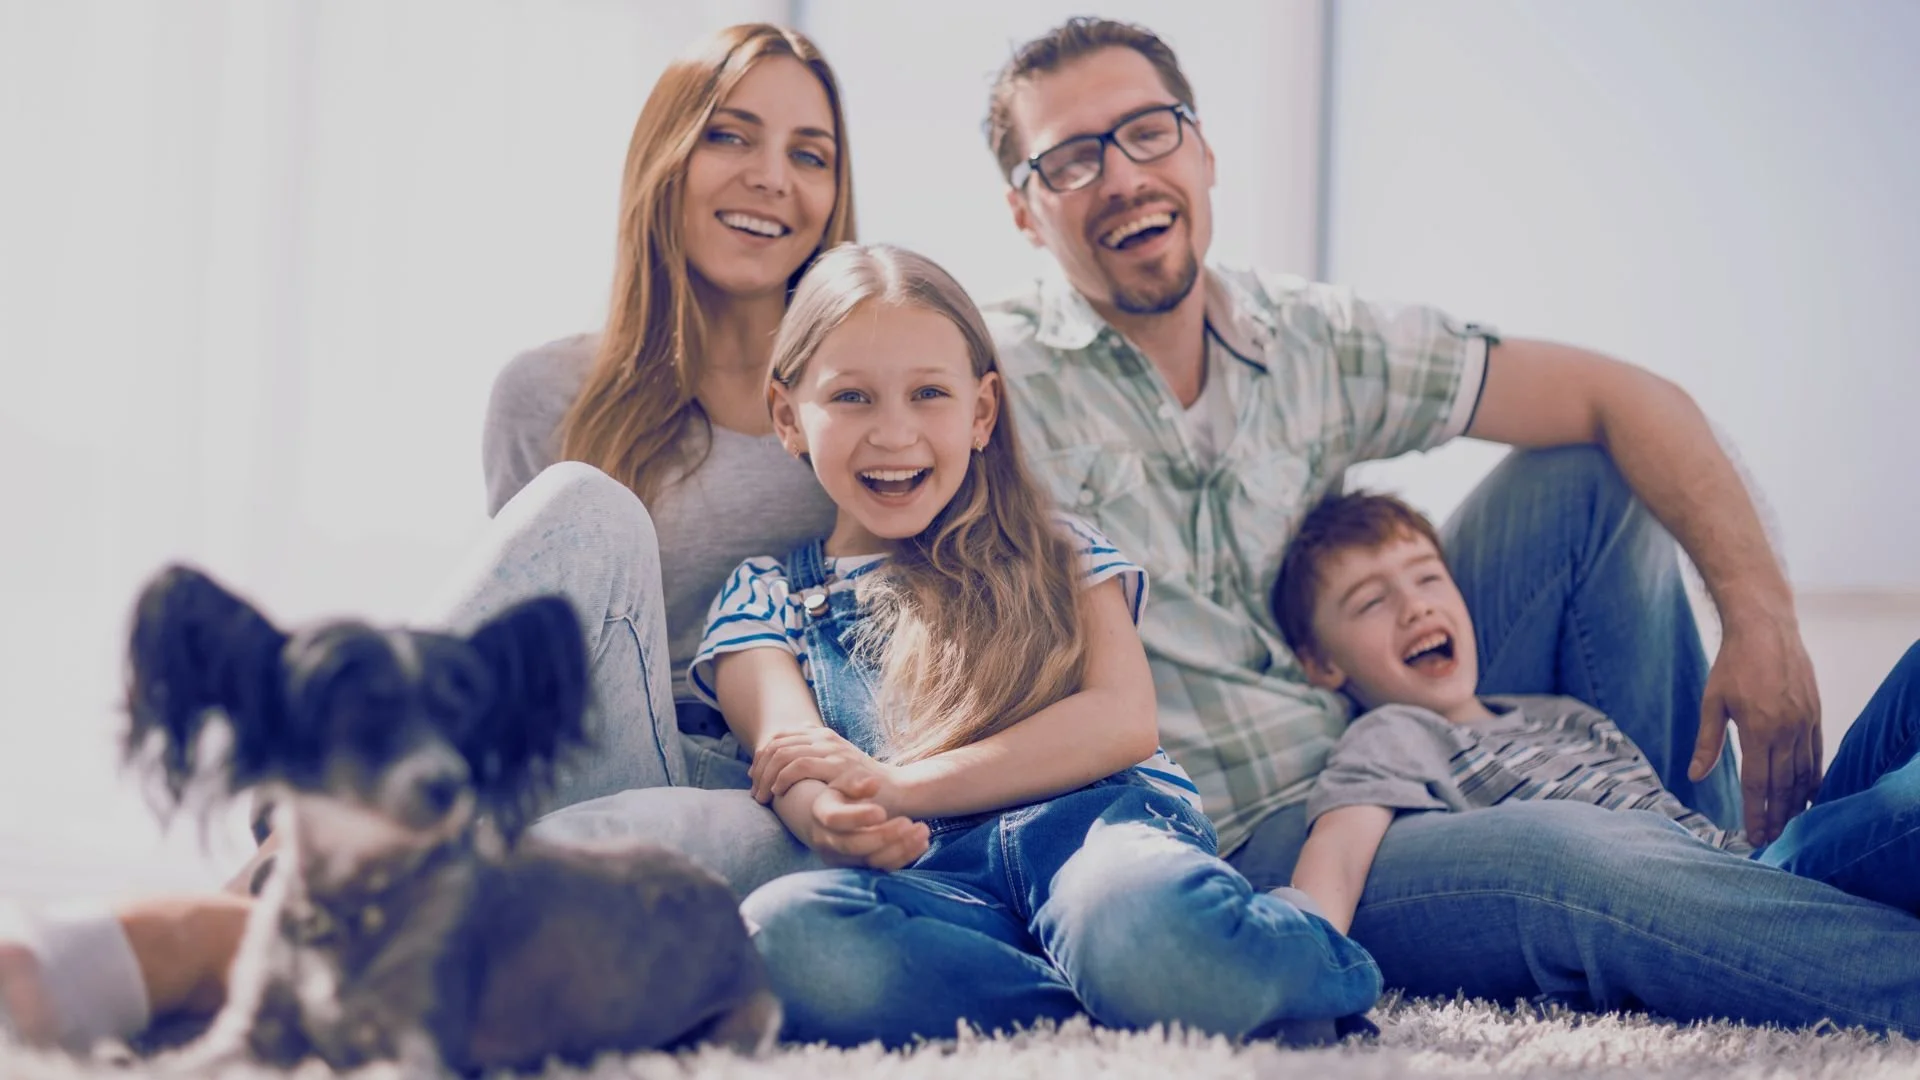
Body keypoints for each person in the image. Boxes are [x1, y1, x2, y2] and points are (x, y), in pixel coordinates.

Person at [969, 15, 1920, 1034]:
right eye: (1070, 160)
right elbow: (858, 465)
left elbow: (1630, 397)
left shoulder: (1310, 337)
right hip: (1273, 830)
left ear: (1202, 150)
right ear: (1025, 211)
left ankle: (1720, 867)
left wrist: (1761, 620)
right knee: (1573, 854)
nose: (1121, 176)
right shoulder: (988, 388)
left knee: (1588, 471)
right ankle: (1729, 901)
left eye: (1148, 131)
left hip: (1416, 731)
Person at [0, 23, 910, 1052]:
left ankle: (225, 938)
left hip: (770, 789)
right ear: (664, 157)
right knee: (587, 509)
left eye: (810, 154)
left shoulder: (875, 405)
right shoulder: (547, 392)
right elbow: (527, 674)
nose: (772, 177)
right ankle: (292, 851)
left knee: (545, 866)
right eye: (730, 136)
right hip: (589, 753)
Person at [696, 241, 1380, 1047]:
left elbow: (1122, 721)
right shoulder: (766, 596)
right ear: (788, 417)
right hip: (938, 892)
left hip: (1099, 844)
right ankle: (1131, 995)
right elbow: (791, 753)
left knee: (1133, 921)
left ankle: (1264, 952)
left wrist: (899, 786)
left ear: (982, 412)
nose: (893, 431)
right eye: (851, 397)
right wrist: (830, 818)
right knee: (781, 934)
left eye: (929, 394)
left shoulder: (1057, 550)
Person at [1271, 490, 1920, 934]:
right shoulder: (1392, 734)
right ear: (1323, 664)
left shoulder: (1560, 714)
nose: (1415, 606)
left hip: (1750, 853)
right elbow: (1339, 851)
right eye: (1372, 602)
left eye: (1427, 577)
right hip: (1723, 890)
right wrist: (1303, 952)